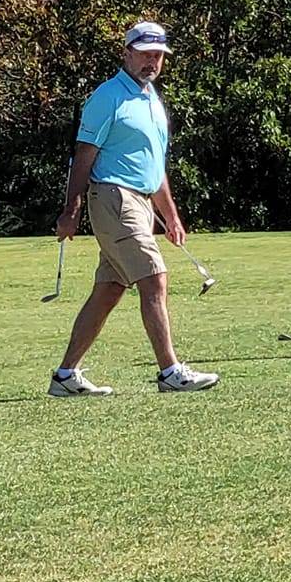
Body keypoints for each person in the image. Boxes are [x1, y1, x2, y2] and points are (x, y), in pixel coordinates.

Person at [47, 20, 219, 398]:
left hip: (139, 201)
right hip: (113, 198)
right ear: (127, 53)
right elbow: (84, 154)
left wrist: (170, 215)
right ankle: (170, 371)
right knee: (154, 277)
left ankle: (65, 375)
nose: (151, 62)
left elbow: (154, 166)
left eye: (157, 56)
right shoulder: (108, 97)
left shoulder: (151, 99)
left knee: (109, 289)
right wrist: (71, 208)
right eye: (144, 54)